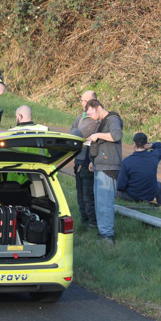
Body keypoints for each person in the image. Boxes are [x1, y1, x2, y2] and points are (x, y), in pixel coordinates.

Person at [85, 99, 123, 245]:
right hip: (99, 166)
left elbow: (116, 135)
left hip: (108, 168)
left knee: (105, 203)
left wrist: (98, 135)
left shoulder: (113, 119)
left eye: (90, 112)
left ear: (98, 108)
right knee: (100, 203)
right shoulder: (101, 122)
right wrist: (93, 161)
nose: (89, 116)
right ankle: (103, 232)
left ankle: (107, 236)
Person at [71, 91, 99, 229]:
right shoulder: (81, 117)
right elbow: (72, 132)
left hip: (88, 163)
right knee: (80, 195)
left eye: (84, 101)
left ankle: (92, 223)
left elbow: (79, 134)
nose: (82, 103)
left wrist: (78, 135)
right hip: (78, 161)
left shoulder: (94, 119)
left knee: (88, 196)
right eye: (82, 100)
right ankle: (84, 220)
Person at [117, 133, 161, 206]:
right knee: (160, 186)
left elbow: (120, 186)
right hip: (149, 196)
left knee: (114, 190)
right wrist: (152, 145)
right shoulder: (154, 156)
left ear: (134, 144)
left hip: (133, 196)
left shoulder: (127, 161)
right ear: (146, 144)